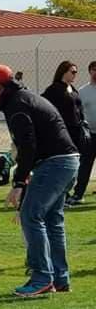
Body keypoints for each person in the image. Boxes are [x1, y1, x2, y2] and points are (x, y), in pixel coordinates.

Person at [0, 64, 79, 297]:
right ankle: (59, 278)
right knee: (52, 220)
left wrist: (18, 183)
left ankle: (42, 277)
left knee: (30, 215)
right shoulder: (21, 99)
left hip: (54, 162)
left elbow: (28, 145)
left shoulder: (16, 105)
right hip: (67, 160)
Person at [67, 61, 96, 204]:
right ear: (90, 71)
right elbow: (77, 112)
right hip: (90, 135)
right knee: (85, 165)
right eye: (94, 70)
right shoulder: (83, 91)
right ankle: (78, 195)